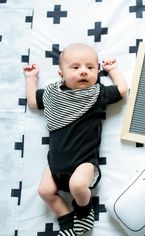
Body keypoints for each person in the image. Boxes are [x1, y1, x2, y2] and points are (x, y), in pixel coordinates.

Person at [23, 43, 128, 236]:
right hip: (55, 163)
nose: (83, 72)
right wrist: (31, 78)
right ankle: (66, 224)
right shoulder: (52, 95)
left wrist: (113, 70)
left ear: (97, 71)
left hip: (85, 161)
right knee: (45, 191)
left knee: (78, 185)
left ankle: (84, 212)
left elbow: (122, 90)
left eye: (90, 67)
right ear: (61, 74)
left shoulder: (97, 93)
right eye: (75, 67)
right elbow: (32, 102)